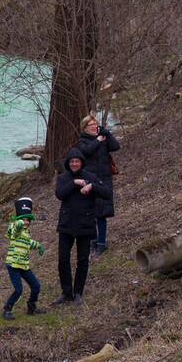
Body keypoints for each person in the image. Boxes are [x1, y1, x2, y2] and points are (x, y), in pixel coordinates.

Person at [53, 147, 111, 305]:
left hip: (85, 225)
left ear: (81, 162)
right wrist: (74, 183)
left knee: (82, 260)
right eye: (71, 161)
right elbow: (60, 194)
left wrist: (91, 186)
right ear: (68, 163)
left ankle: (78, 292)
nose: (74, 164)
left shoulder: (90, 176)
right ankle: (66, 293)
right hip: (66, 225)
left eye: (77, 161)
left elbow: (107, 192)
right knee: (63, 259)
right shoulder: (64, 177)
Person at [75, 114, 121, 255]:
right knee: (90, 212)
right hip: (90, 179)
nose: (95, 127)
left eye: (96, 124)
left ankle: (101, 243)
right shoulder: (82, 141)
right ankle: (93, 241)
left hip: (104, 179)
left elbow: (116, 146)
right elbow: (86, 152)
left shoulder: (104, 137)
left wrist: (107, 134)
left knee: (102, 213)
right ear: (85, 128)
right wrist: (98, 140)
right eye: (91, 125)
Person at [3, 197, 46, 320]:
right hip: (13, 264)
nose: (26, 222)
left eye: (28, 220)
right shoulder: (14, 229)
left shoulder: (26, 232)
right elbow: (15, 231)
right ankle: (7, 309)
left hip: (23, 265)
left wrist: (38, 246)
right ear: (18, 220)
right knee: (18, 290)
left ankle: (31, 306)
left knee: (36, 286)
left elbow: (28, 243)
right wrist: (19, 222)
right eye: (23, 219)